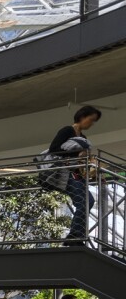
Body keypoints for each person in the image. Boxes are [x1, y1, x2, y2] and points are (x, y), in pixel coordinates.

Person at [48, 105, 103, 245]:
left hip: (77, 174)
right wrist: (77, 154)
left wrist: (95, 172)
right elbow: (54, 149)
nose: (91, 124)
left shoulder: (83, 137)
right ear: (82, 117)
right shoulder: (67, 130)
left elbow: (83, 159)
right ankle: (74, 236)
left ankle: (76, 235)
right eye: (90, 120)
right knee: (86, 201)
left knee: (88, 201)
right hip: (66, 173)